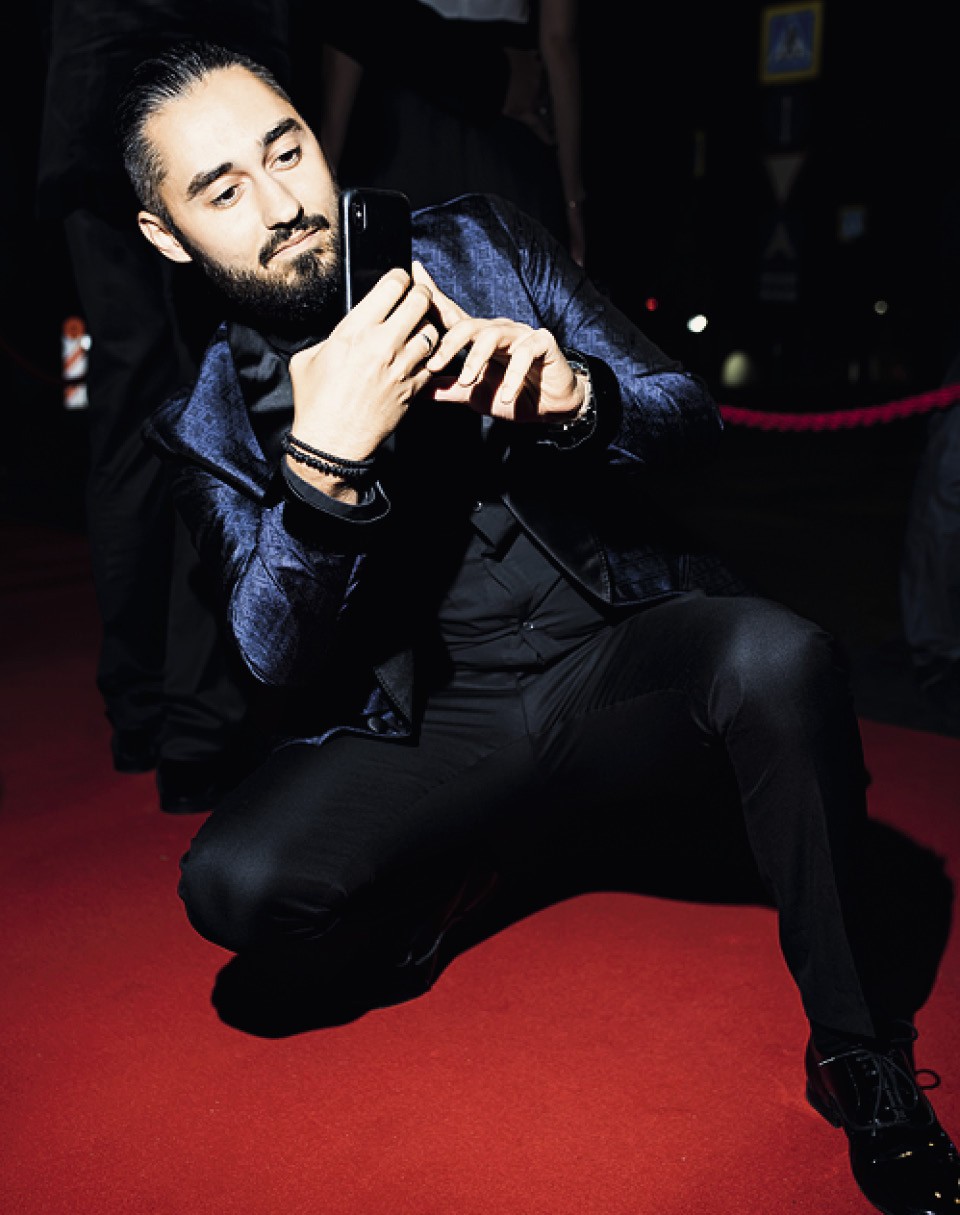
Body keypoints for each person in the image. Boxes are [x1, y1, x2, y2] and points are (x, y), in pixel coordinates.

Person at [116, 40, 959, 1214]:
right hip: (438, 719)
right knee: (236, 884)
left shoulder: (480, 244)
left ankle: (858, 1052)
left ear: (315, 133)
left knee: (781, 656)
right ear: (167, 235)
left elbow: (687, 415)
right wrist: (322, 468)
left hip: (616, 660)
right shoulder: (206, 418)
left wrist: (577, 398)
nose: (281, 204)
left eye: (286, 150)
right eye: (220, 190)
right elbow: (273, 656)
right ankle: (473, 865)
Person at [34, 1, 294, 811]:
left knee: (127, 414)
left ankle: (140, 712)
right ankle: (197, 728)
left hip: (89, 97)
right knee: (211, 407)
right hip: (193, 89)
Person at [314, 0, 586, 266]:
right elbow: (559, 41)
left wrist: (327, 169)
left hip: (409, 119)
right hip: (488, 121)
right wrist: (572, 200)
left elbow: (348, 26)